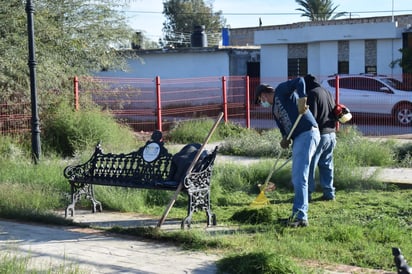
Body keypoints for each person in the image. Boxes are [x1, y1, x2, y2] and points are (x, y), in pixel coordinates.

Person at [255, 77, 320, 227]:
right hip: (298, 137)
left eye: (260, 100)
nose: (262, 103)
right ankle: (297, 215)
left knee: (299, 177)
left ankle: (300, 217)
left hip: (307, 132)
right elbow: (284, 128)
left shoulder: (281, 91)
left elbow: (300, 81)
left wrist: (302, 98)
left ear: (263, 95)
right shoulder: (274, 110)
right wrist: (285, 138)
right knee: (297, 177)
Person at [305, 74, 337, 202]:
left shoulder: (312, 94)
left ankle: (307, 193)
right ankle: (329, 193)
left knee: (310, 165)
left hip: (320, 134)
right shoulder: (327, 92)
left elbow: (312, 117)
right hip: (331, 134)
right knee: (327, 165)